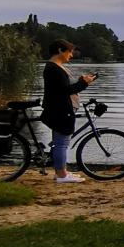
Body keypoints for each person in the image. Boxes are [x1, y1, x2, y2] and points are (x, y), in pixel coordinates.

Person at [40, 39, 96, 183]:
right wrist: (84, 83)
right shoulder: (54, 68)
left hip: (58, 108)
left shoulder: (54, 67)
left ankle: (61, 171)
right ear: (60, 50)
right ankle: (61, 175)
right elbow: (65, 91)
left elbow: (63, 88)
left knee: (61, 142)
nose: (71, 55)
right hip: (60, 110)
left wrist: (81, 81)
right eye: (69, 51)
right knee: (61, 144)